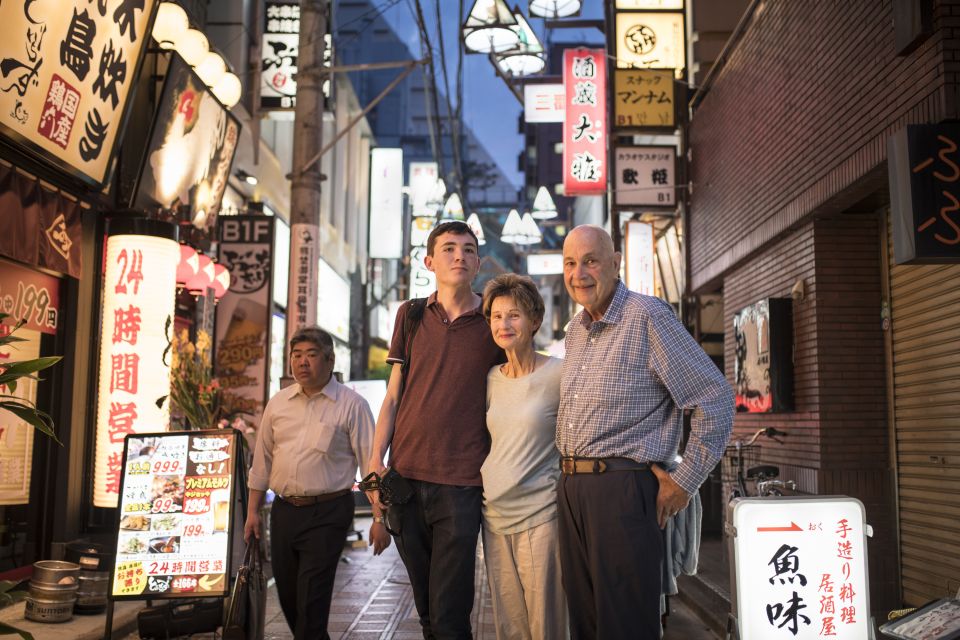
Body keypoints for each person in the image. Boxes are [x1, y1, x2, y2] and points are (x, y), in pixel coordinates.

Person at [557, 225, 734, 639]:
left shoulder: (647, 315)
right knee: (585, 622)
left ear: (615, 263)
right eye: (570, 263)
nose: (579, 273)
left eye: (590, 261)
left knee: (626, 624)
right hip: (572, 489)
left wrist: (685, 482)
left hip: (622, 489)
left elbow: (715, 398)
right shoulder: (576, 331)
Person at [366, 221, 504, 639]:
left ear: (478, 263)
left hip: (462, 484)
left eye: (468, 249)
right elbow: (393, 398)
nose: (459, 256)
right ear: (429, 261)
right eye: (448, 249)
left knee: (450, 609)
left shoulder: (493, 322)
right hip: (405, 481)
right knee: (426, 608)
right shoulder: (409, 316)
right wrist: (376, 464)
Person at [244, 326, 390, 640]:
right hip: (284, 513)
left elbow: (370, 466)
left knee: (312, 599)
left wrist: (380, 518)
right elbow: (261, 463)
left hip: (328, 513)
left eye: (311, 355)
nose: (302, 363)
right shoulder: (279, 403)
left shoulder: (352, 405)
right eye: (296, 356)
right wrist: (253, 512)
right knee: (289, 600)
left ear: (329, 360)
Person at [480, 273, 568, 640]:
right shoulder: (488, 378)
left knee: (546, 624)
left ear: (534, 321)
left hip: (541, 514)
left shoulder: (559, 374)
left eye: (514, 315)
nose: (504, 324)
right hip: (494, 516)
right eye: (496, 316)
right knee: (509, 625)